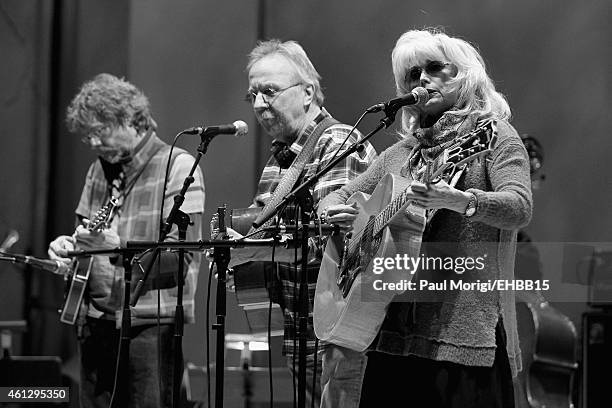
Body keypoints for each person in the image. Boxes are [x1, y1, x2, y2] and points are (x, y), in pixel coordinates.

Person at [319, 29, 532, 408]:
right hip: (392, 332)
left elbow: (519, 207)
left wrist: (463, 200)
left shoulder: (496, 137)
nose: (421, 79)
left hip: (462, 337)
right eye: (412, 74)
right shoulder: (401, 153)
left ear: (465, 74)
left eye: (435, 68)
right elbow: (338, 194)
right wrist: (333, 211)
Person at [227, 39, 377, 408]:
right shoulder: (280, 160)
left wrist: (254, 250)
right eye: (253, 95)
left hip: (339, 339)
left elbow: (335, 247)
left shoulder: (337, 142)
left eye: (270, 91)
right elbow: (264, 233)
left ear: (308, 92)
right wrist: (234, 251)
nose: (260, 105)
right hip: (303, 335)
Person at [47, 73, 205, 407]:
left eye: (98, 132)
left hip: (149, 326)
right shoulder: (99, 169)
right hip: (94, 322)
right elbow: (84, 238)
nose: (92, 143)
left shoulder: (177, 167)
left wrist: (119, 247)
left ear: (131, 121)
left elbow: (183, 256)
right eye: (87, 135)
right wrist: (67, 248)